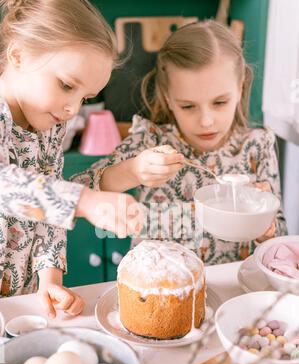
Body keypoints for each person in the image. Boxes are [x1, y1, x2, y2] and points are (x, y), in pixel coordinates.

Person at [72, 20, 287, 265]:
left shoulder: (257, 146)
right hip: (158, 288)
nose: (206, 121)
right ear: (169, 98)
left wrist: (264, 227)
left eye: (220, 103)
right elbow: (77, 188)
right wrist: (131, 171)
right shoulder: (150, 140)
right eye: (188, 106)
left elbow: (280, 242)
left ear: (239, 89)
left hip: (234, 292)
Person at [0, 0, 141, 317]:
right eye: (66, 85)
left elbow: (48, 214)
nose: (73, 109)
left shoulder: (50, 128)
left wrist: (49, 278)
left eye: (85, 97)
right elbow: (5, 186)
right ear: (18, 55)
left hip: (15, 304)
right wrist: (86, 201)